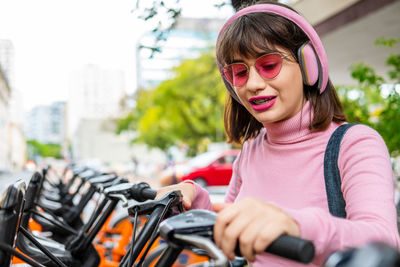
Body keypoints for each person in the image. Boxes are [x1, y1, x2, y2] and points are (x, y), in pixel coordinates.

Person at [156, 1, 400, 266]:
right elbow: (230, 237)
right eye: (239, 72)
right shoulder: (251, 149)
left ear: (309, 65)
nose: (253, 84)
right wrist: (190, 201)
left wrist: (295, 224)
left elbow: (384, 241)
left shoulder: (356, 144)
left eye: (269, 65)